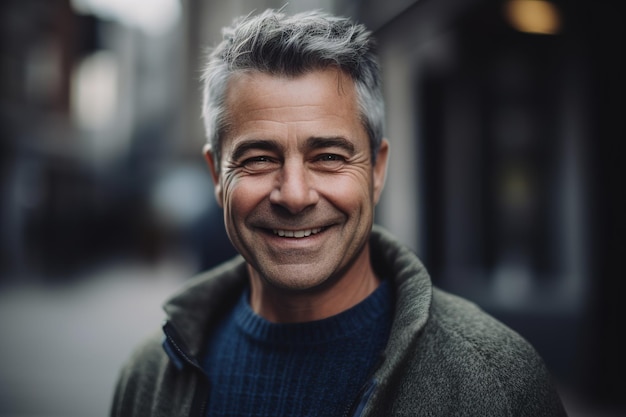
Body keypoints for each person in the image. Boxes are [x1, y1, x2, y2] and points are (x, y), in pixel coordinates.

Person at [110, 8, 568, 417]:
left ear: (377, 169)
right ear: (216, 174)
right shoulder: (150, 377)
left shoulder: (496, 385)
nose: (294, 195)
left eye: (328, 156)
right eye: (258, 158)